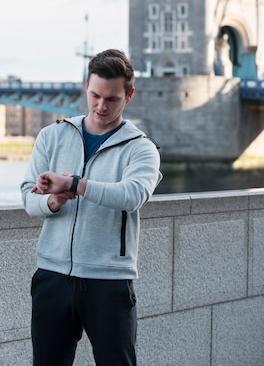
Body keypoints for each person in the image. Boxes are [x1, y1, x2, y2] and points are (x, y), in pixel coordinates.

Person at [21, 48, 161, 366]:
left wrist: (74, 184)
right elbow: (28, 199)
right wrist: (52, 201)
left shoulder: (142, 148)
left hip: (109, 282)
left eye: (111, 99)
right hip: (52, 277)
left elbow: (133, 195)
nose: (101, 106)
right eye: (95, 95)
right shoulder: (52, 136)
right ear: (86, 85)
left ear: (129, 95)